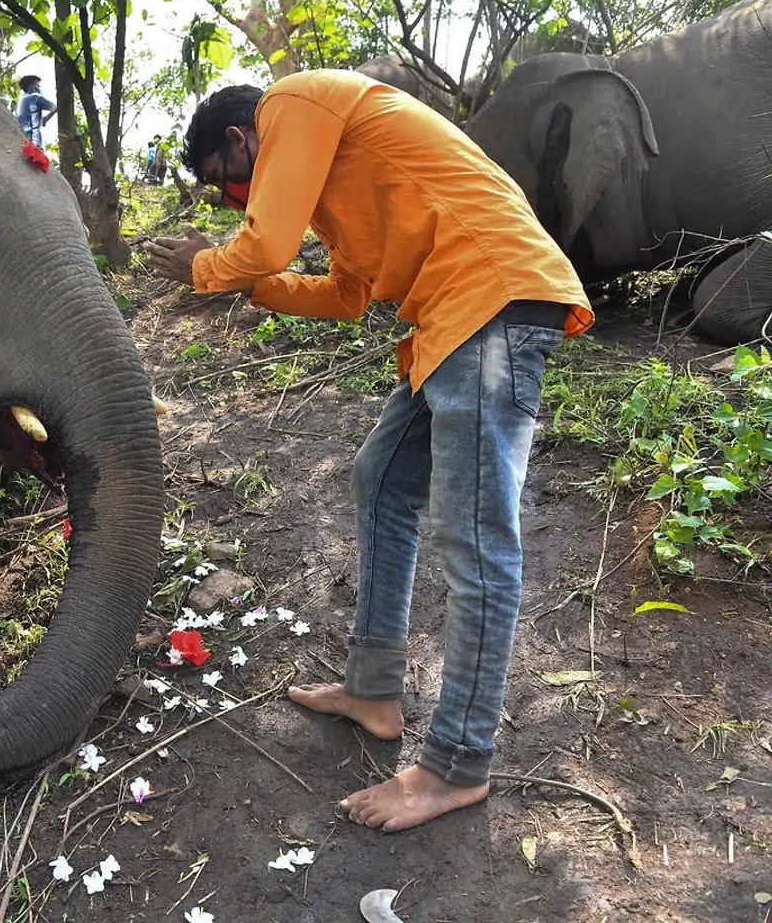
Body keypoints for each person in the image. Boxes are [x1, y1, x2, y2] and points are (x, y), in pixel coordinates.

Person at [146, 70, 594, 832]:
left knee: (476, 539)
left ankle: (456, 764)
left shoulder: (292, 102)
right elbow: (346, 294)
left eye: (229, 186)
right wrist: (244, 284)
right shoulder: (332, 183)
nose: (234, 204)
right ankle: (374, 691)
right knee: (381, 481)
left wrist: (208, 266)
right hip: (451, 322)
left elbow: (265, 244)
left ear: (240, 138)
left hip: (492, 297)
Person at [15, 75, 56, 148]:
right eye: (37, 85)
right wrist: (47, 118)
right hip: (33, 140)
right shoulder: (35, 97)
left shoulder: (20, 102)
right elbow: (55, 107)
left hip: (21, 138)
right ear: (32, 87)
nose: (39, 87)